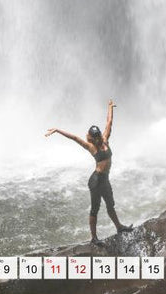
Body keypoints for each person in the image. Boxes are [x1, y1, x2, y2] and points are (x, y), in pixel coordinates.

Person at [46, 99, 133, 247]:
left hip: (105, 179)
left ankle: (119, 227)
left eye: (94, 135)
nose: (93, 137)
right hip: (96, 180)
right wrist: (57, 130)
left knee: (110, 205)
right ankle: (94, 237)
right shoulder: (91, 147)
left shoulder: (105, 140)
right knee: (95, 208)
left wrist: (110, 107)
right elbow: (74, 138)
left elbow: (109, 122)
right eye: (93, 136)